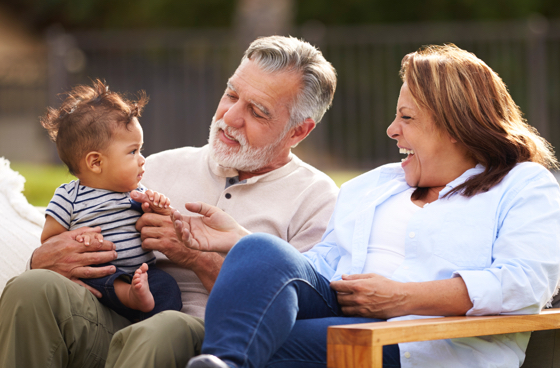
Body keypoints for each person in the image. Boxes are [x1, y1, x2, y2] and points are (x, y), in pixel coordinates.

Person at [179, 44, 560, 368]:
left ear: (457, 128)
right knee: (258, 249)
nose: (392, 130)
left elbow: (523, 283)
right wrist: (245, 244)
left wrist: (402, 297)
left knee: (269, 342)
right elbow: (325, 264)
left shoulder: (522, 185)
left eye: (406, 118)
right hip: (343, 311)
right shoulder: (375, 184)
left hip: (427, 344)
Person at [0, 35, 339, 368]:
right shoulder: (152, 167)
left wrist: (194, 257)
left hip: (207, 341)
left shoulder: (317, 201)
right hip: (115, 318)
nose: (230, 117)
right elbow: (72, 217)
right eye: (231, 94)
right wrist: (45, 257)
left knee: (163, 330)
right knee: (32, 288)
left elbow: (301, 313)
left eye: (257, 111)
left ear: (298, 131)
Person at [39, 80, 182, 322]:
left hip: (142, 272)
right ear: (95, 162)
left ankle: (151, 328)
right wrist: (81, 238)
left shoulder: (135, 192)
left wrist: (158, 207)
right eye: (132, 151)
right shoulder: (68, 197)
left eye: (140, 150)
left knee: (167, 286)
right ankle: (131, 297)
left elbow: (159, 223)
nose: (142, 159)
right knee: (99, 280)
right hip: (101, 278)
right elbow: (49, 242)